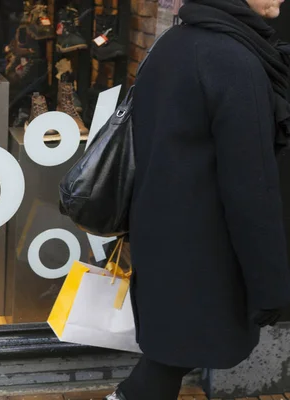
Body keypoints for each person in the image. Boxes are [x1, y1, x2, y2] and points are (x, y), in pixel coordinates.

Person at [108, 0, 290, 398]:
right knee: (169, 359)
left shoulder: (174, 42)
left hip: (165, 233)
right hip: (208, 248)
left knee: (166, 359)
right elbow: (250, 188)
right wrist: (270, 286)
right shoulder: (233, 61)